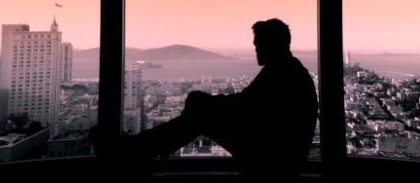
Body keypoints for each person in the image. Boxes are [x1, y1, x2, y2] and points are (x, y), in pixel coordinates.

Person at [96, 18, 318, 177]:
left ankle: (131, 152)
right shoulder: (288, 69)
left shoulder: (280, 72)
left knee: (199, 115)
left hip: (273, 162)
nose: (256, 50)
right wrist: (205, 102)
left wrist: (202, 101)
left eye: (260, 44)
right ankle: (135, 151)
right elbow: (246, 105)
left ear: (274, 44)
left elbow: (242, 106)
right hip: (282, 158)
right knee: (199, 114)